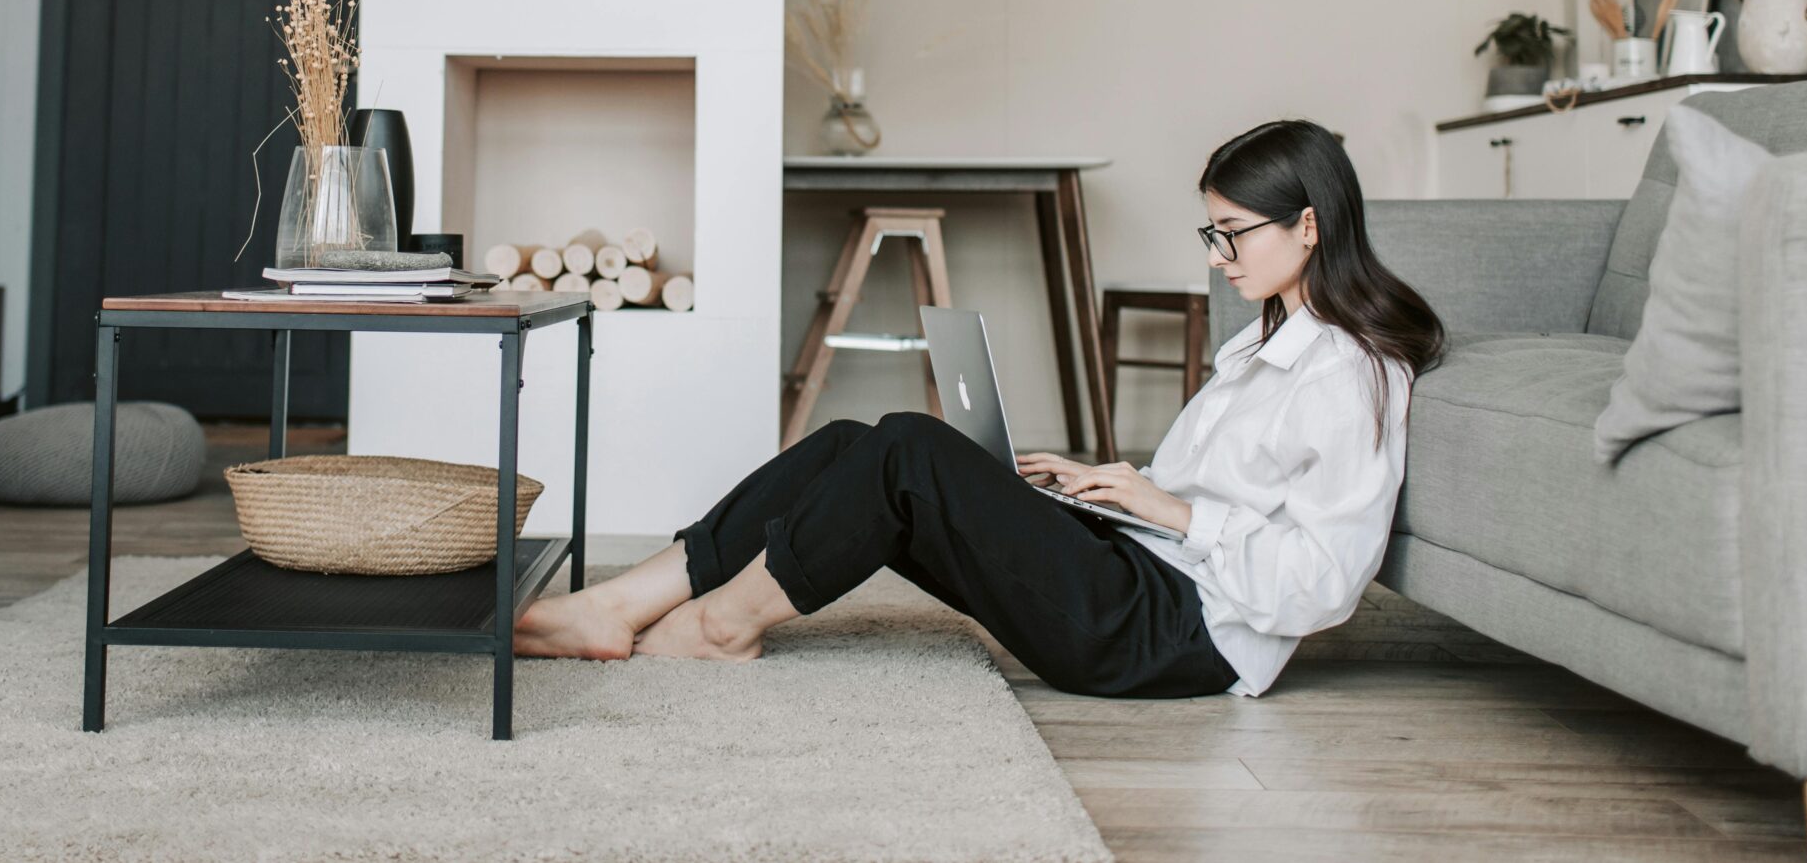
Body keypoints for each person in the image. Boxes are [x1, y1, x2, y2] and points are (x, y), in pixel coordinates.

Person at [513, 119, 1446, 697]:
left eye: (1232, 232)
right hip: (1140, 572)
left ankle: (723, 626)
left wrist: (1168, 508)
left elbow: (1324, 585)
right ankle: (626, 599)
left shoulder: (1353, 376)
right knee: (853, 441)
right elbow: (1210, 498)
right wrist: (1114, 486)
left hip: (1177, 635)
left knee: (910, 451)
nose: (1217, 255)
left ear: (1309, 225)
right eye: (1213, 231)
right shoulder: (1263, 343)